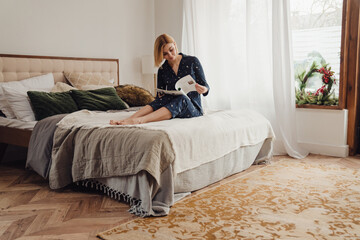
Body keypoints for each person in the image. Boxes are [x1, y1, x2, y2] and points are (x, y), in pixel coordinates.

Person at [110, 33, 210, 125]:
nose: (170, 55)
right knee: (159, 101)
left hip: (192, 108)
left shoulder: (192, 61)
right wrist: (161, 95)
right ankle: (128, 119)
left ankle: (140, 120)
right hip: (172, 107)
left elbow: (206, 87)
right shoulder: (162, 69)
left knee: (182, 99)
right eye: (165, 54)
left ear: (174, 44)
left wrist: (203, 89)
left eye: (171, 50)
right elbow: (159, 98)